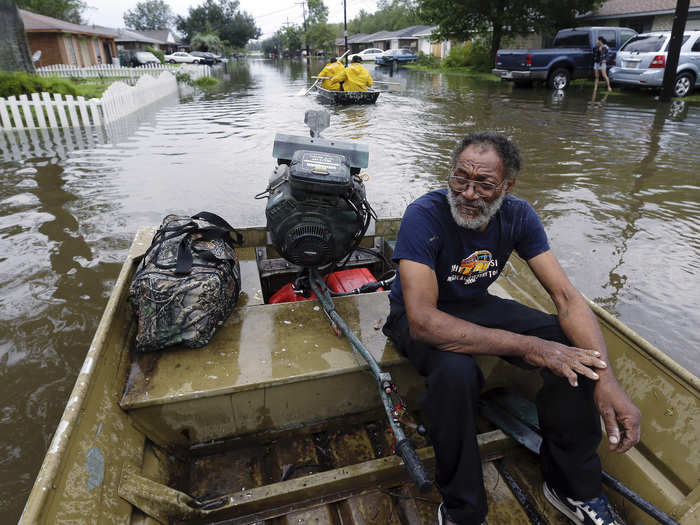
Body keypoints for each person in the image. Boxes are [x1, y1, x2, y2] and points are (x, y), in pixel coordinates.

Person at [382, 132, 641, 525]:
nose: (469, 193)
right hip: (420, 315)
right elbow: (423, 320)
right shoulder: (424, 215)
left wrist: (606, 380)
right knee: (456, 373)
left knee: (571, 345)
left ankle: (572, 488)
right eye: (460, 179)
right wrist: (528, 347)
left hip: (475, 305)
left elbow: (568, 299)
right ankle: (461, 510)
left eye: (484, 184)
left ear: (506, 186)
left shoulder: (518, 215)